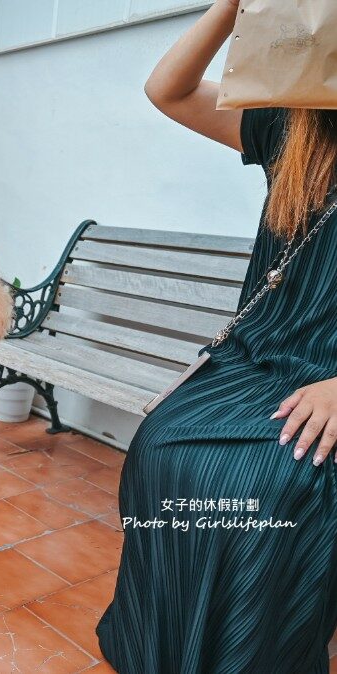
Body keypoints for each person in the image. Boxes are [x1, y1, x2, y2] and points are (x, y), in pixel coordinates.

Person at [95, 0, 337, 672]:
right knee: (160, 446)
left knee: (270, 485)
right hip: (261, 355)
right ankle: (167, 648)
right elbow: (165, 89)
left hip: (331, 376)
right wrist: (234, 7)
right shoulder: (297, 125)